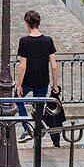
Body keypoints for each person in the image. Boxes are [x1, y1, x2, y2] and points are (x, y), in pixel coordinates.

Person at [16, 11, 59, 143]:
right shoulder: (48, 41)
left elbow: (22, 66)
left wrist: (18, 85)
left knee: (18, 100)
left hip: (28, 80)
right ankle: (37, 139)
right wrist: (55, 84)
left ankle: (26, 127)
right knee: (38, 109)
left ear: (27, 24)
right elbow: (54, 66)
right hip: (43, 80)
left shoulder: (24, 41)